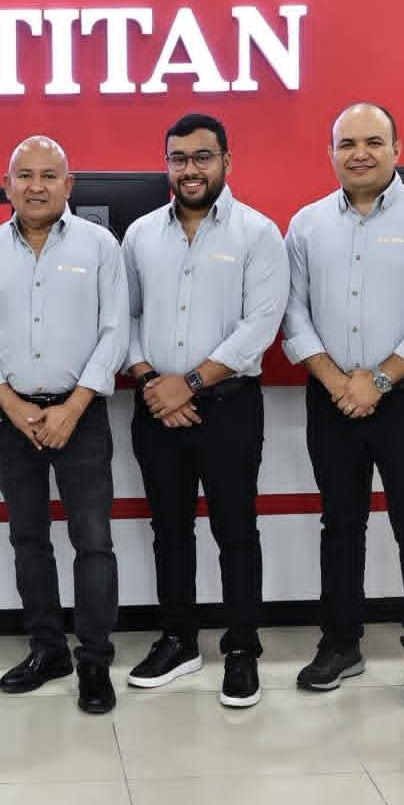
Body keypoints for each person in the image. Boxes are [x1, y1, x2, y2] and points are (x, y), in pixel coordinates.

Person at [281, 103, 404, 711]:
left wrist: (379, 381)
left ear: (397, 149)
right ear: (331, 153)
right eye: (347, 144)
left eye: (373, 142)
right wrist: (338, 382)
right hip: (332, 400)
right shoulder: (307, 225)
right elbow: (293, 312)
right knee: (340, 527)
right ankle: (340, 645)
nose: (359, 153)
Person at [121, 112, 289, 708]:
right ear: (166, 165)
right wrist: (151, 382)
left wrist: (188, 384)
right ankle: (179, 640)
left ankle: (242, 650)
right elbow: (124, 317)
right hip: (155, 408)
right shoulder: (140, 235)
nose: (190, 169)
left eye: (202, 157)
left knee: (235, 530)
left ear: (225, 161)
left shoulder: (258, 234)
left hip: (229, 408)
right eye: (178, 158)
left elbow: (260, 326)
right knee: (168, 529)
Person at [0, 136, 129, 715]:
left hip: (81, 415)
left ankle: (95, 660)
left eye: (49, 175)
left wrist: (73, 407)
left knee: (93, 540)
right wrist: (10, 403)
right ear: (8, 185)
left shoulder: (100, 245)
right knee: (28, 538)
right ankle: (47, 649)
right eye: (25, 175)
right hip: (12, 417)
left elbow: (115, 331)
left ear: (68, 184)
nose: (36, 186)